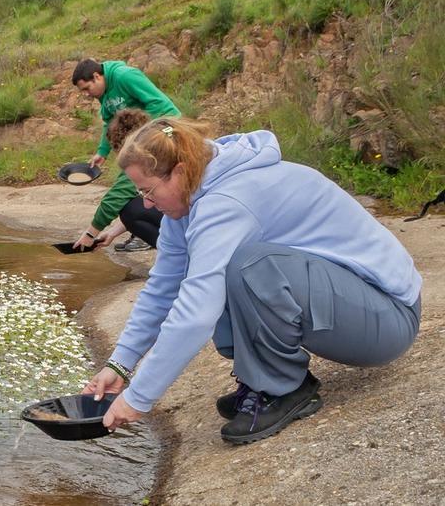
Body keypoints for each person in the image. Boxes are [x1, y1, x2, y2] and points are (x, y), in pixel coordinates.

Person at [83, 118, 422, 444]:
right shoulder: (188, 202)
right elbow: (163, 289)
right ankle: (264, 377)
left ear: (180, 172)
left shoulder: (227, 202)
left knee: (248, 265)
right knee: (224, 269)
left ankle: (284, 387)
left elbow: (196, 313)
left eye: (148, 190)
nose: (145, 203)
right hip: (350, 303)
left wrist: (139, 398)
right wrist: (120, 364)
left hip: (388, 316)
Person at [77, 108, 162, 252]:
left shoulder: (143, 157)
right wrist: (112, 233)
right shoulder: (156, 143)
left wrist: (90, 234)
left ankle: (176, 250)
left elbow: (117, 197)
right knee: (136, 204)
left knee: (130, 208)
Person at [71, 58, 180, 170]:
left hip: (168, 127)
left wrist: (139, 133)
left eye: (87, 88)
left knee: (138, 176)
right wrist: (102, 152)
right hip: (144, 136)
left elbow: (159, 104)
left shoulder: (125, 76)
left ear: (96, 76)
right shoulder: (102, 91)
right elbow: (110, 122)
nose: (86, 94)